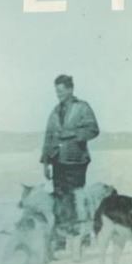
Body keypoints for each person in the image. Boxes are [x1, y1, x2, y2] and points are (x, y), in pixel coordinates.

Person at [41, 75, 99, 250]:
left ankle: (83, 238)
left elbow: (93, 129)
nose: (58, 94)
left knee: (77, 199)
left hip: (76, 160)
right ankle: (61, 239)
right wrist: (46, 162)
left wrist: (72, 135)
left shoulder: (82, 107)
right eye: (56, 91)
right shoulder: (54, 111)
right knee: (60, 200)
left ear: (70, 89)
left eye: (61, 90)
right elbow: (48, 136)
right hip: (57, 161)